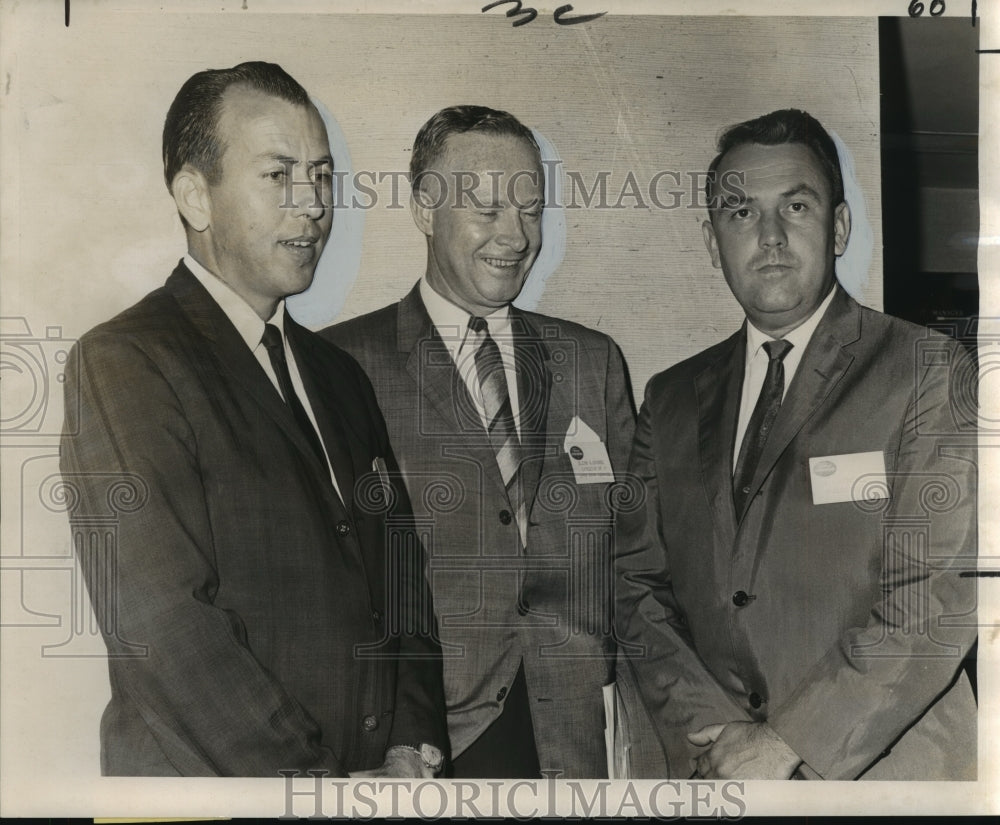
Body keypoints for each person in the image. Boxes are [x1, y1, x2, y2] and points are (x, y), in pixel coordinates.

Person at [59, 61, 447, 777]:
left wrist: (409, 744)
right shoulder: (122, 361)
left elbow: (402, 581)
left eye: (323, 176)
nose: (313, 204)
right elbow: (165, 626)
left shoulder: (340, 378)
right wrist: (315, 788)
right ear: (194, 196)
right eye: (279, 175)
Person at [615, 108, 977, 780]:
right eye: (742, 213)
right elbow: (637, 586)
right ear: (710, 239)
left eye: (797, 205)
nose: (772, 236)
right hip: (718, 777)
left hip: (886, 782)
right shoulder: (667, 399)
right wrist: (716, 738)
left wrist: (785, 744)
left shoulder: (928, 369)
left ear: (838, 227)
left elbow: (933, 601)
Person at [323, 105, 663, 778]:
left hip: (576, 743)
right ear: (425, 207)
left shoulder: (591, 361)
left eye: (531, 210)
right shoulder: (343, 364)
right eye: (487, 209)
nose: (515, 235)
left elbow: (640, 559)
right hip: (429, 747)